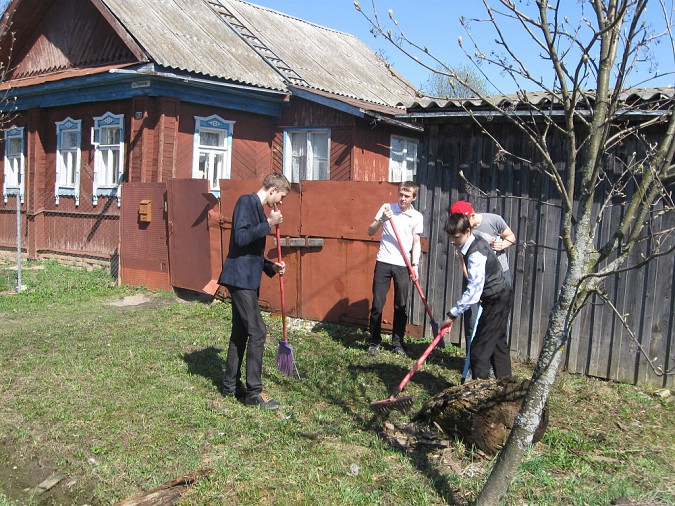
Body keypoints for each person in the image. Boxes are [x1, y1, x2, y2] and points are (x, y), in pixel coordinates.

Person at [218, 172, 290, 409]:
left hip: (246, 277)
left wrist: (271, 266)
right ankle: (254, 394)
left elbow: (251, 253)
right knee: (258, 332)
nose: (278, 203)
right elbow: (240, 238)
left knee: (240, 332)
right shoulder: (245, 202)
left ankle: (230, 386)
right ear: (271, 190)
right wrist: (269, 224)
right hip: (239, 279)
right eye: (279, 197)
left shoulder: (257, 209)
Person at [440, 213, 513, 379]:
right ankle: (506, 388)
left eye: (456, 237)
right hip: (500, 295)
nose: (452, 241)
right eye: (450, 237)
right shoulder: (475, 241)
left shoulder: (475, 253)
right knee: (498, 345)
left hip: (497, 300)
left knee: (479, 352)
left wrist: (451, 316)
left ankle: (479, 397)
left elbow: (473, 291)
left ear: (467, 231)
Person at [367, 181, 424, 357]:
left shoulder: (417, 217)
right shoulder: (387, 208)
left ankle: (397, 343)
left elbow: (416, 243)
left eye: (407, 196)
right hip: (383, 261)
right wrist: (382, 220)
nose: (402, 199)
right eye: (400, 194)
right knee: (377, 304)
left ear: (413, 197)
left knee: (401, 305)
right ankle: (374, 341)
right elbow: (370, 231)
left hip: (402, 265)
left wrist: (415, 265)